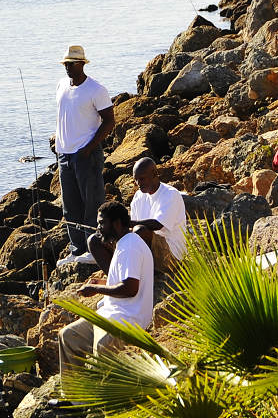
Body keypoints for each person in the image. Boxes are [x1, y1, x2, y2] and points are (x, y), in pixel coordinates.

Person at [58, 201, 154, 393]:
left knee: (102, 347)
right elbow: (124, 281)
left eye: (102, 223)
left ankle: (105, 403)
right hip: (109, 314)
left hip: (128, 319)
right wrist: (101, 284)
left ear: (117, 223)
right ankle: (73, 396)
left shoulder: (130, 246)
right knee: (67, 336)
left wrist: (96, 289)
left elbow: (130, 289)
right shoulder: (122, 244)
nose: (98, 228)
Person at [53, 45, 115, 268]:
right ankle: (76, 248)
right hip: (64, 154)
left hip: (86, 154)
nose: (68, 67)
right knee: (70, 205)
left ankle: (93, 248)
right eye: (66, 64)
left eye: (72, 63)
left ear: (82, 64)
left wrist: (89, 149)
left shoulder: (96, 89)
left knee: (92, 203)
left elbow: (109, 121)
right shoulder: (61, 85)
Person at [91, 157, 187, 273]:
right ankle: (115, 278)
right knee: (95, 240)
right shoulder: (138, 196)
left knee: (139, 231)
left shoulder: (170, 194)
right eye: (136, 180)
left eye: (142, 179)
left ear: (154, 174)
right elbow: (130, 230)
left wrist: (126, 223)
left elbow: (157, 224)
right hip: (142, 247)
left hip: (171, 255)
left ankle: (134, 274)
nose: (138, 183)